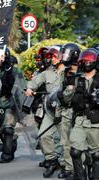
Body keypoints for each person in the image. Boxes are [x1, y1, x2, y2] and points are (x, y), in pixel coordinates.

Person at [25, 46, 65, 178]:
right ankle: (52, 160)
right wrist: (29, 88)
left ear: (63, 56)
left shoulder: (69, 72)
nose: (52, 59)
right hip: (50, 110)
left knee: (68, 140)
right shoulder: (47, 72)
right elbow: (34, 81)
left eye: (55, 56)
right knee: (44, 136)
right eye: (51, 57)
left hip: (66, 111)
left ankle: (68, 166)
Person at [62, 48, 99, 180]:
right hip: (80, 120)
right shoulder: (77, 79)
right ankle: (80, 177)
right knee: (75, 151)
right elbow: (66, 100)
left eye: (90, 59)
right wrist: (70, 88)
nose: (87, 62)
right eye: (85, 59)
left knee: (96, 155)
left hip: (96, 122)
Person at [0, 46, 26, 164]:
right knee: (0, 129)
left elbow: (21, 87)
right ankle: (12, 142)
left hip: (11, 103)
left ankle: (7, 154)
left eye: (0, 56)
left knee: (8, 128)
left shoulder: (15, 71)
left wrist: (18, 104)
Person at [55, 43, 80, 179]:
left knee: (79, 143)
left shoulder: (84, 71)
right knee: (65, 142)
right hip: (66, 111)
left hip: (79, 112)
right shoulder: (65, 72)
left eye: (65, 54)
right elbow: (61, 94)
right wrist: (58, 113)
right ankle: (68, 167)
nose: (63, 57)